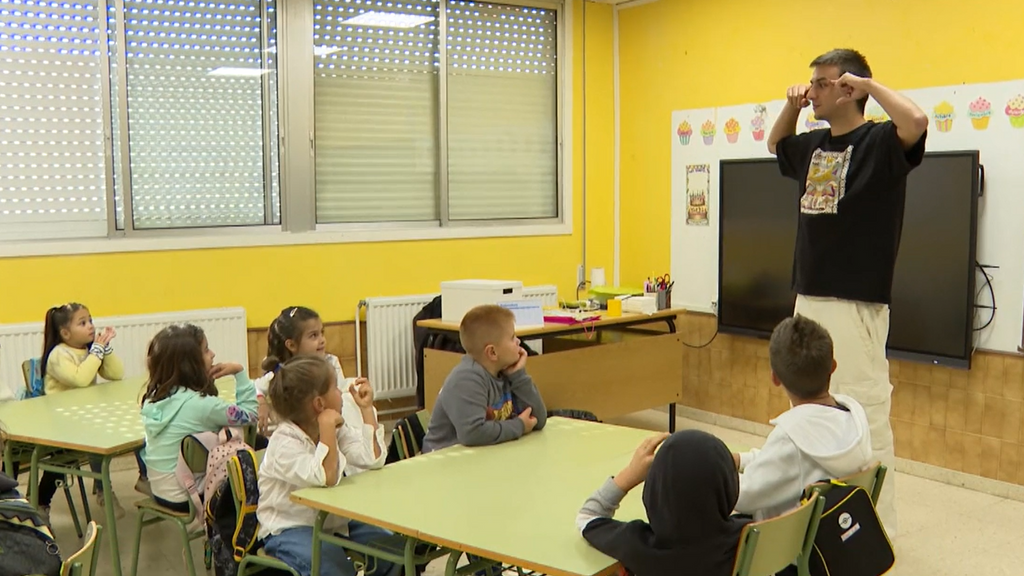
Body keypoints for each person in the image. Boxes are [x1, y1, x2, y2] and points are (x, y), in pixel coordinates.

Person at [766, 48, 928, 536]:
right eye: (810, 82)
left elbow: (917, 120)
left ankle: (878, 530)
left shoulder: (879, 141)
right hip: (809, 297)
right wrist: (793, 105)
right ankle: (816, 526)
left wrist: (871, 87)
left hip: (856, 303)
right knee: (807, 413)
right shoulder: (813, 143)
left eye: (820, 83)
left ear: (848, 87)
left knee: (863, 415)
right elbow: (777, 143)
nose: (811, 90)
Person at [257, 355, 396, 576]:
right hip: (288, 529)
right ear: (319, 404)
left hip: (333, 525)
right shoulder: (283, 443)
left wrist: (367, 410)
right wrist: (327, 428)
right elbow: (327, 476)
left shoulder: (335, 429)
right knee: (335, 570)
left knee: (393, 551)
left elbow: (373, 459)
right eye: (335, 389)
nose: (341, 393)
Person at [733, 315, 872, 522]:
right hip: (831, 536)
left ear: (775, 378)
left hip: (784, 547)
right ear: (833, 367)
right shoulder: (853, 418)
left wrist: (708, 470)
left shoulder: (790, 439)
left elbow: (742, 496)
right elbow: (787, 465)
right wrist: (741, 459)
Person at [576, 430, 749, 576]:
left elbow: (588, 516)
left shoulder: (637, 547)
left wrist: (630, 474)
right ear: (729, 486)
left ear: (653, 489)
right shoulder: (748, 537)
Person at [139, 324, 259, 513]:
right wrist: (239, 372)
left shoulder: (154, 398)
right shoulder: (203, 405)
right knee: (257, 444)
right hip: (189, 496)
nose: (213, 354)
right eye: (205, 350)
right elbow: (251, 416)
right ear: (189, 364)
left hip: (160, 491)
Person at [40, 303, 138, 518]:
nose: (91, 327)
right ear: (65, 333)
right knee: (68, 455)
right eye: (82, 323)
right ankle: (41, 502)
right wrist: (96, 351)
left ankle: (139, 479)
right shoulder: (59, 354)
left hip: (83, 418)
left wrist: (106, 349)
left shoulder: (89, 350)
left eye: (91, 321)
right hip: (59, 424)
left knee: (134, 426)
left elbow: (115, 373)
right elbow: (81, 379)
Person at [421, 305, 547, 453]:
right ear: (492, 352)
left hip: (481, 454)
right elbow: (473, 433)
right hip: (444, 459)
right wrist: (519, 426)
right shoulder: (466, 379)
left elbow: (538, 419)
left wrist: (519, 376)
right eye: (512, 338)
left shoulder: (505, 371)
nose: (518, 342)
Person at [254, 306, 367, 437]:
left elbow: (340, 394)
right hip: (300, 437)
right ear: (292, 345)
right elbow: (257, 387)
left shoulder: (331, 362)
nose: (322, 340)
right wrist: (262, 402)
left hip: (330, 430)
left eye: (322, 333)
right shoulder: (285, 372)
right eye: (313, 336)